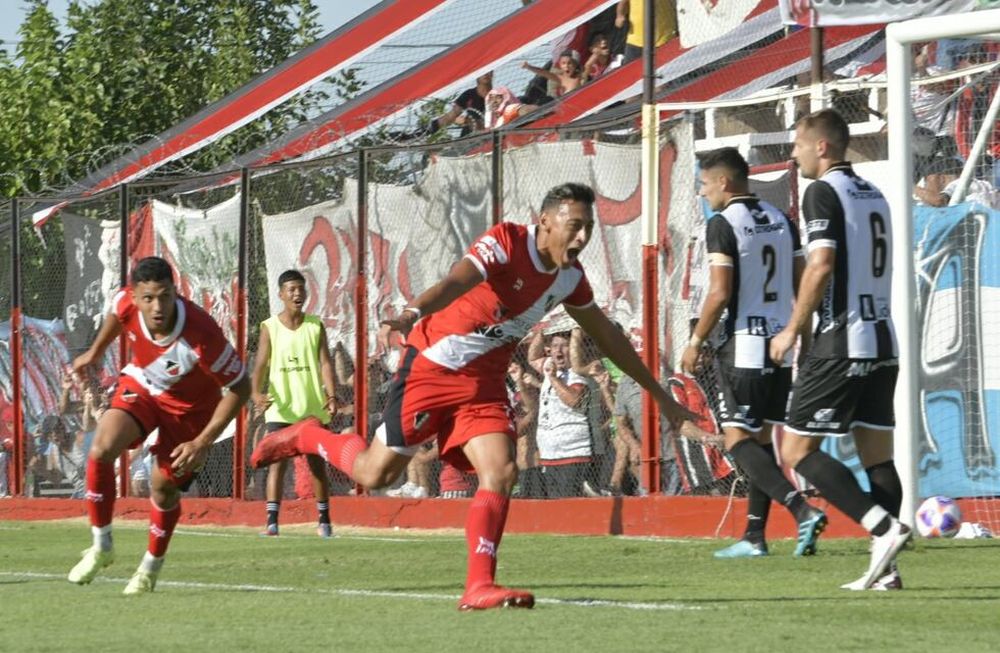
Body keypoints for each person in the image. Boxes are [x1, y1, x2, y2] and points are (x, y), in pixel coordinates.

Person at [250, 182, 694, 610]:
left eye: (588, 229)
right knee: (376, 474)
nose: (581, 236)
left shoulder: (570, 279)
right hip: (432, 365)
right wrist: (412, 311)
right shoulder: (506, 241)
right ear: (544, 222)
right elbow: (456, 281)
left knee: (501, 470)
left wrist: (663, 397)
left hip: (483, 382)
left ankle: (479, 584)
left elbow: (611, 339)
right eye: (573, 225)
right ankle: (307, 436)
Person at [770, 109, 911, 591]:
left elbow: (822, 264)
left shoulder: (820, 191)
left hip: (843, 338)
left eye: (798, 145)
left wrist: (792, 329)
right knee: (877, 457)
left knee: (796, 449)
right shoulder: (875, 193)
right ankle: (886, 571)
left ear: (822, 147)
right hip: (883, 337)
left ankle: (883, 528)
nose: (793, 154)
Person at [67, 256, 249, 595]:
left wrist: (204, 441)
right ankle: (102, 545)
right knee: (101, 447)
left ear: (175, 293)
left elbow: (241, 387)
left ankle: (150, 568)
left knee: (162, 488)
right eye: (148, 298)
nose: (157, 306)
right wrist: (94, 353)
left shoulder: (202, 333)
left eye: (164, 296)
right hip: (144, 386)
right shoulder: (126, 301)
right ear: (135, 296)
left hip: (190, 412)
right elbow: (117, 316)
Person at [682, 146, 826, 559]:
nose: (703, 193)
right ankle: (754, 536)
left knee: (736, 439)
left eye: (705, 185)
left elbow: (720, 292)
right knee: (762, 439)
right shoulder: (782, 218)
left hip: (744, 342)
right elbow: (803, 284)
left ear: (724, 182)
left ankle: (800, 510)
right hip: (781, 342)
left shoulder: (723, 223)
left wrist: (695, 342)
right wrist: (805, 335)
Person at [251, 269, 339, 538]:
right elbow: (261, 363)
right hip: (281, 407)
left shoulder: (315, 325)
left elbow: (326, 362)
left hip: (310, 408)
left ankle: (324, 522)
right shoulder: (270, 327)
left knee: (316, 465)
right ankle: (272, 523)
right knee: (278, 463)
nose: (297, 294)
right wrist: (256, 393)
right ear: (281, 294)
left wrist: (331, 395)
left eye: (300, 289)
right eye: (291, 289)